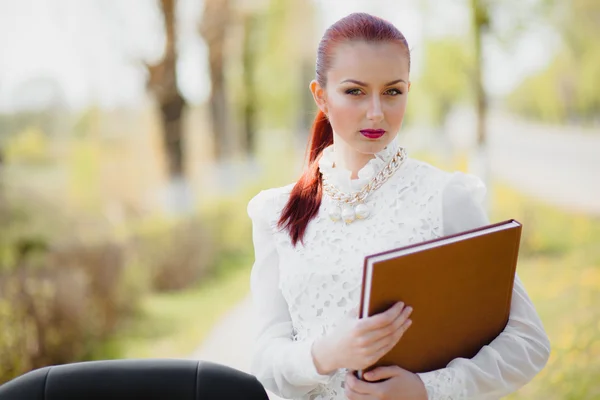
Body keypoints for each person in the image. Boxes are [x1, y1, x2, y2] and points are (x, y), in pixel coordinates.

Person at [247, 12, 550, 400]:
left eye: (392, 91)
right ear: (320, 96)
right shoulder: (276, 213)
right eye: (355, 91)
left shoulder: (445, 197)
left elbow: (528, 341)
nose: (376, 112)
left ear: (409, 89)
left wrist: (426, 389)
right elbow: (265, 361)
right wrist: (326, 353)